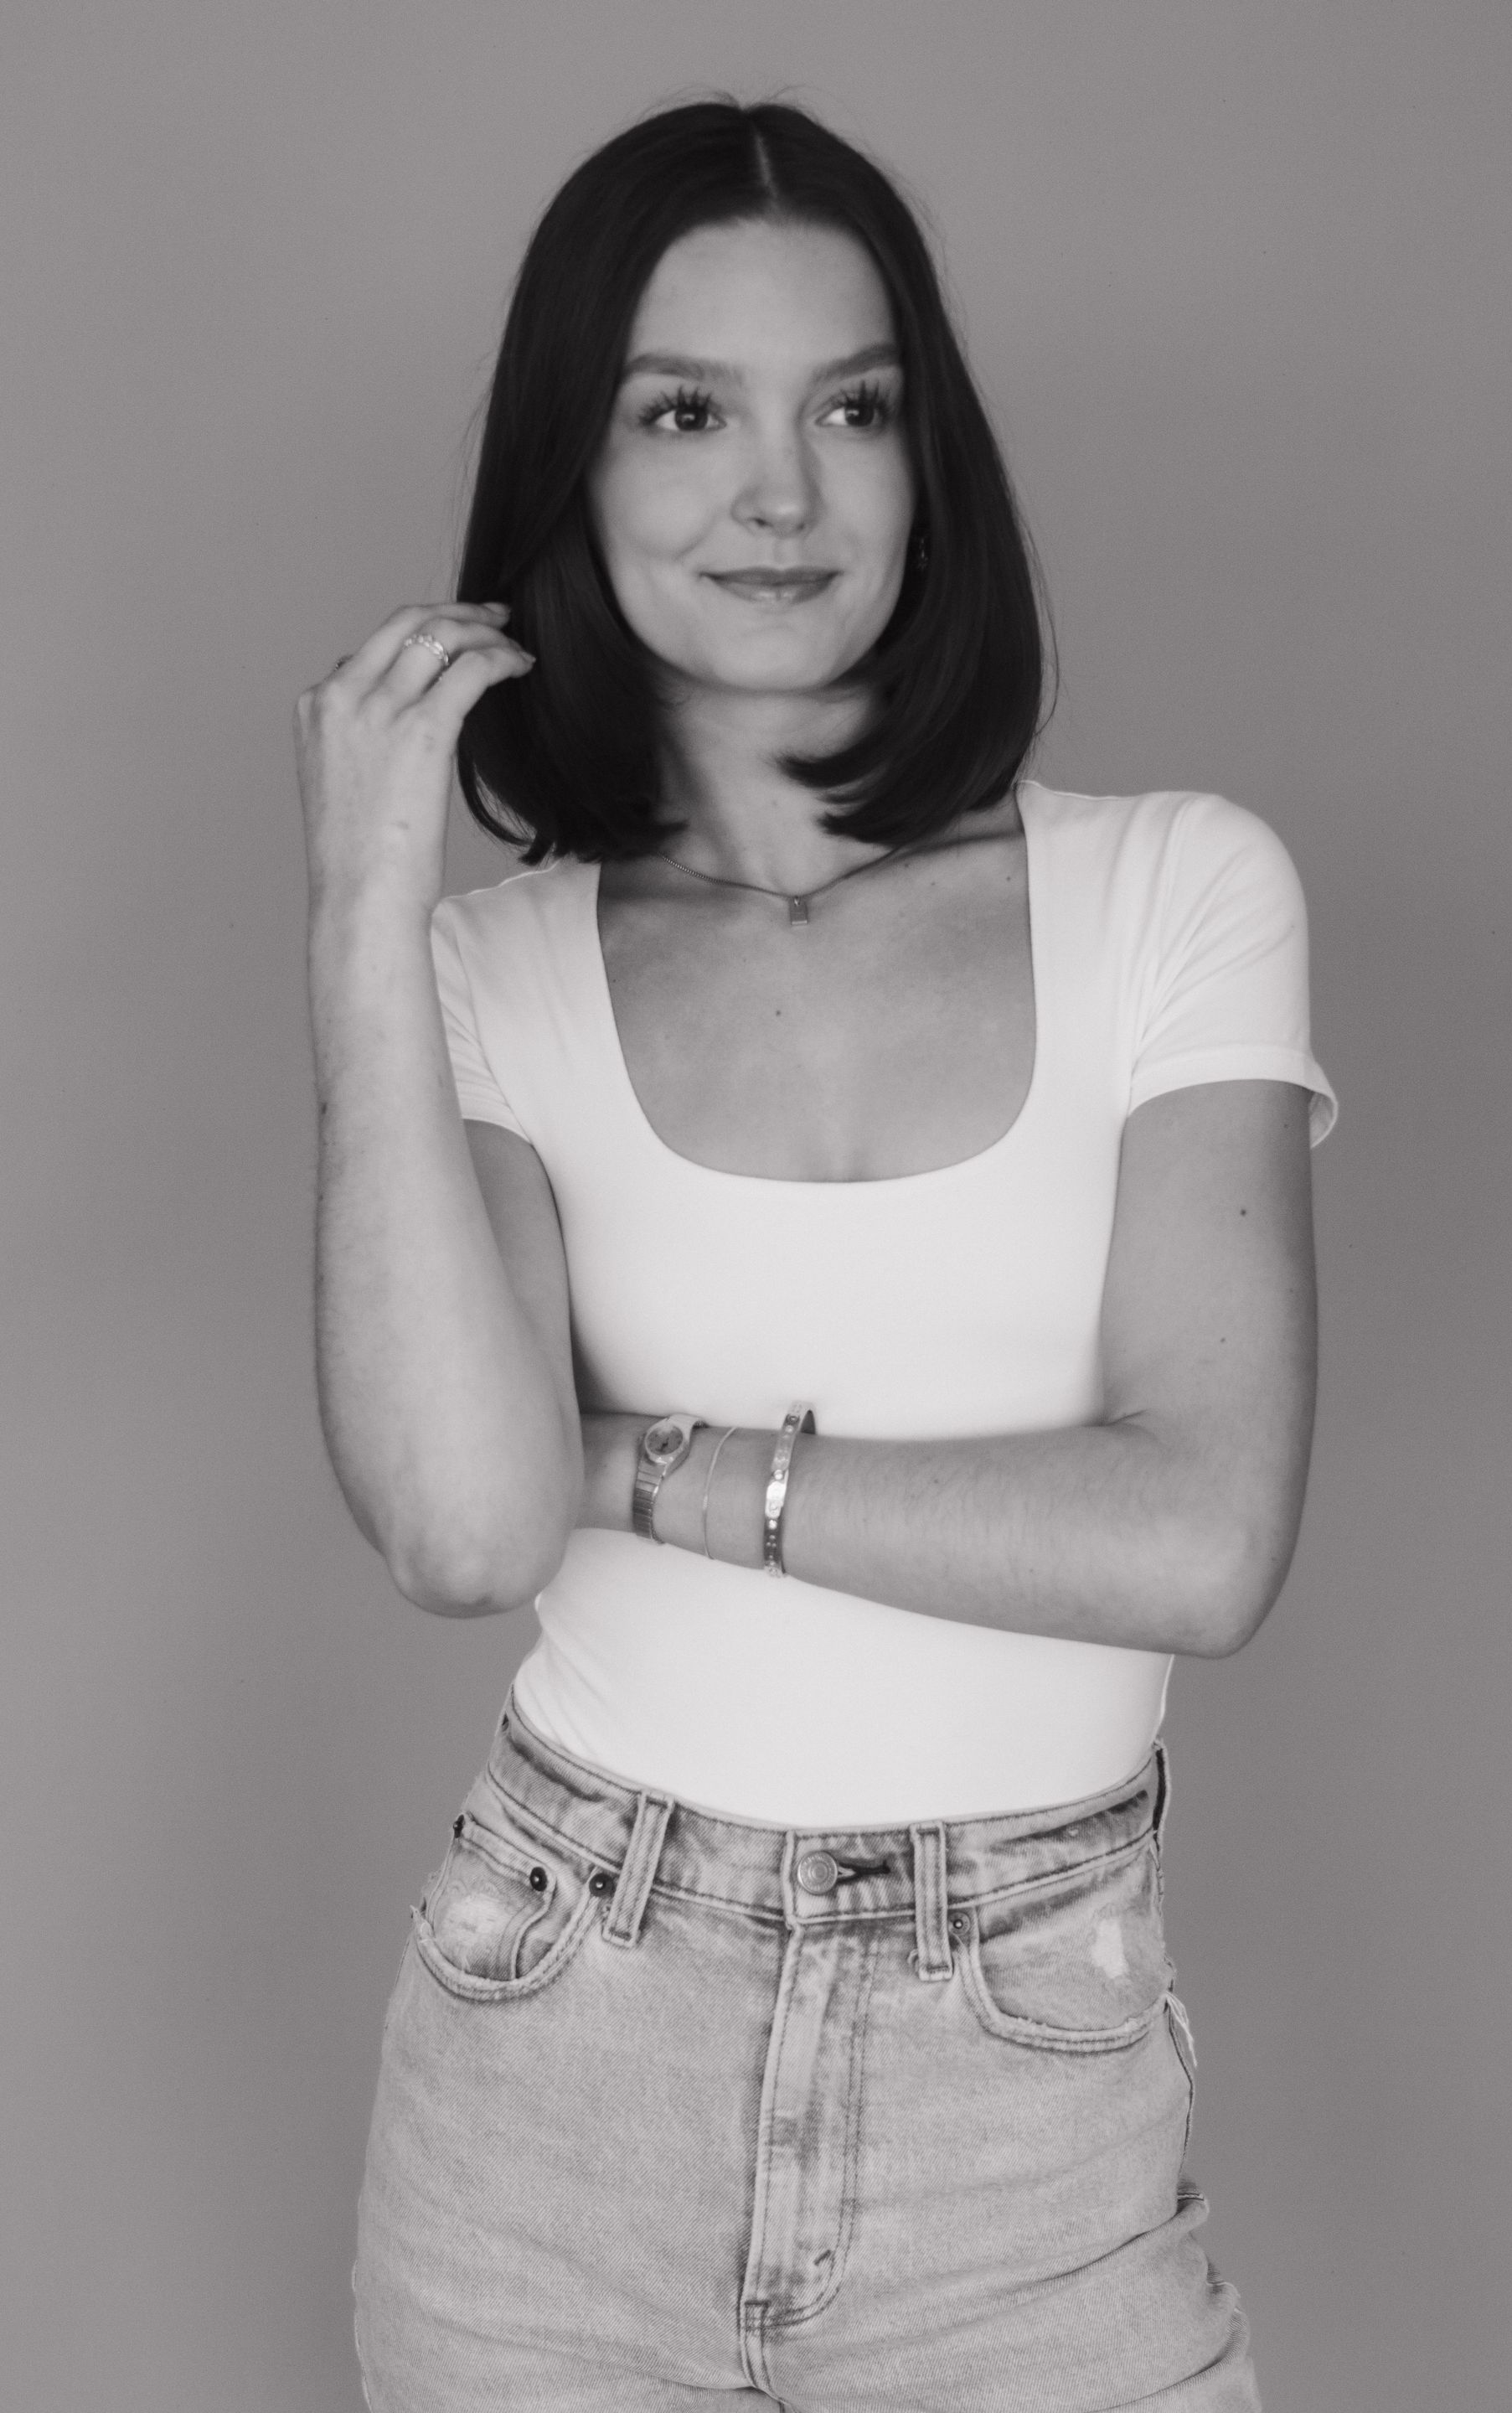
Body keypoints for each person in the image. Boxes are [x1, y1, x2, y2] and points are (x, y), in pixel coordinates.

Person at [297, 98, 1333, 2413]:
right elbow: (463, 1526)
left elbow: (1199, 1532)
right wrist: (362, 910)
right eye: (685, 412)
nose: (782, 491)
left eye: (850, 407)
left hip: (1023, 2082)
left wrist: (647, 1467)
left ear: (927, 463)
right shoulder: (498, 977)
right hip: (557, 2044)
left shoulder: (1173, 891)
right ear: (570, 473)